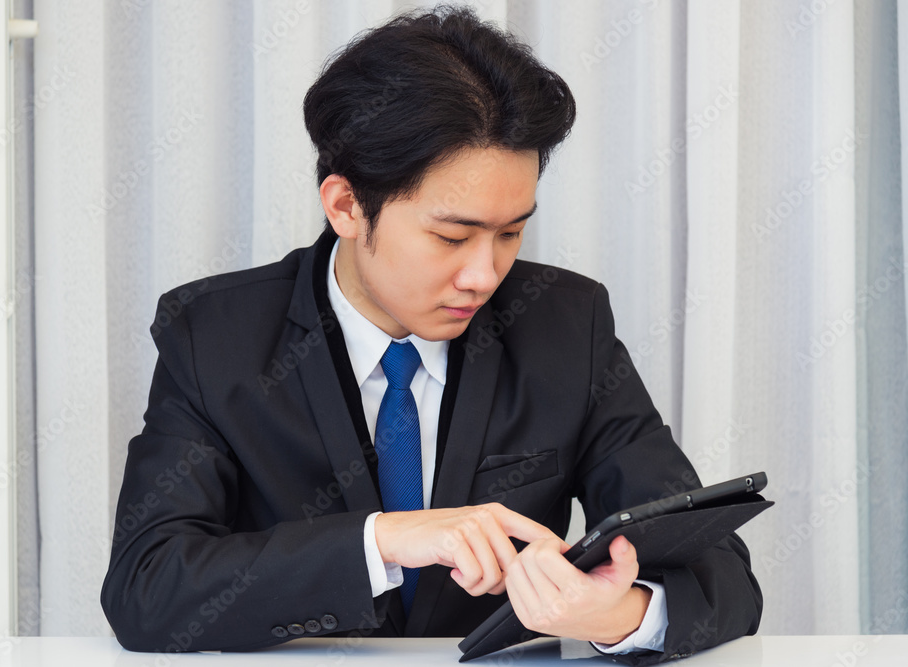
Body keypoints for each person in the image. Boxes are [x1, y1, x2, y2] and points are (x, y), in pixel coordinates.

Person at [100, 6, 761, 663]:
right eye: (451, 236)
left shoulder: (567, 325)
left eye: (510, 232)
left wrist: (615, 612)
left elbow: (722, 573)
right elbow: (147, 587)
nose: (484, 274)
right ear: (346, 206)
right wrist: (384, 540)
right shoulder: (213, 336)